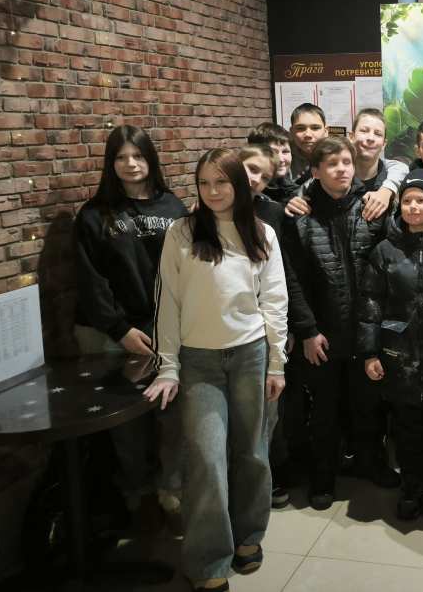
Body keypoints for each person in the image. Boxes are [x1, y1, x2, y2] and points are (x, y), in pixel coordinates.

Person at [144, 148, 288, 592]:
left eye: (221, 182)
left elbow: (274, 302)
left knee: (252, 453)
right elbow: (168, 303)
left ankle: (249, 535)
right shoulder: (181, 233)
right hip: (198, 361)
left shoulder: (261, 233)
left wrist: (277, 362)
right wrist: (168, 367)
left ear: (238, 184)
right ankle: (209, 561)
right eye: (204, 183)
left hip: (250, 355)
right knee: (206, 460)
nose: (213, 191)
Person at [72, 124, 187, 521]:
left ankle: (172, 491)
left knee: (172, 414)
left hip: (166, 327)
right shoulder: (93, 215)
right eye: (121, 157)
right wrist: (119, 329)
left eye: (137, 155)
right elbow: (89, 280)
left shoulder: (173, 207)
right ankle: (137, 495)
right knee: (127, 424)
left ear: (150, 158)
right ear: (110, 163)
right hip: (114, 334)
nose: (130, 164)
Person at [279, 136, 393, 510]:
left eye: (346, 161)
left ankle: (369, 463)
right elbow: (292, 280)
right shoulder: (299, 214)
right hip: (323, 332)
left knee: (367, 406)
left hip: (365, 329)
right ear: (315, 171)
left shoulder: (371, 207)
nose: (341, 169)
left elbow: (385, 269)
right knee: (324, 411)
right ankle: (323, 477)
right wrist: (308, 331)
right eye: (331, 164)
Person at [358, 170, 423, 520]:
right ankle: (411, 486)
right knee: (406, 428)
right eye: (407, 201)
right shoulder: (385, 250)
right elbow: (370, 303)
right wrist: (370, 352)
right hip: (398, 355)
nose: (413, 207)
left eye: (421, 200)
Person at [239, 144, 293, 510]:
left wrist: (285, 331)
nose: (254, 178)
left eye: (263, 175)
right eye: (250, 168)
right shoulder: (204, 214)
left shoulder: (274, 215)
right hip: (221, 331)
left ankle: (266, 480)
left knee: (267, 413)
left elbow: (282, 279)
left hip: (264, 328)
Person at [350, 107, 410, 221]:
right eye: (364, 131)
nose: (370, 138)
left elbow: (402, 167)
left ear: (384, 144)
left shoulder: (393, 174)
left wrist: (386, 191)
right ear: (352, 137)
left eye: (378, 134)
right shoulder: (338, 176)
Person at [247, 122, 296, 204]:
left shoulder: (296, 192)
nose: (281, 159)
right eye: (273, 152)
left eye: (285, 151)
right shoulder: (245, 192)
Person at [288, 103, 328, 184]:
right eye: (300, 128)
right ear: (291, 132)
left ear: (325, 131)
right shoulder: (283, 158)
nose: (308, 135)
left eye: (315, 128)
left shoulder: (338, 155)